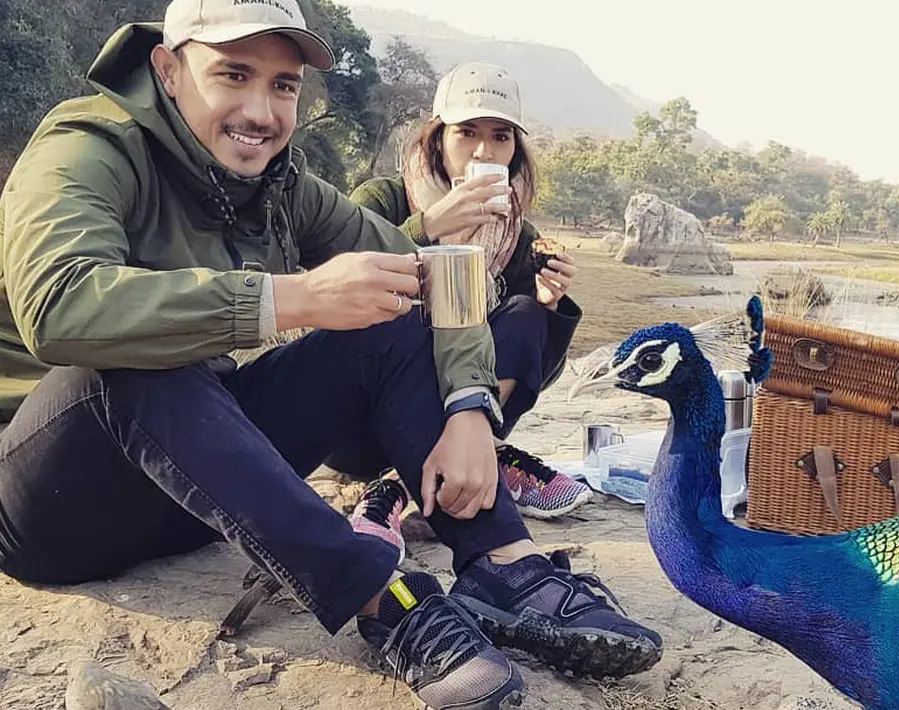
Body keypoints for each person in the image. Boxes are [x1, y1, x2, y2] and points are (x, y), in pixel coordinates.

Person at [0, 1, 662, 708]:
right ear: (167, 70)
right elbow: (60, 307)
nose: (261, 112)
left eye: (283, 85)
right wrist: (293, 298)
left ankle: (504, 564)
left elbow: (431, 272)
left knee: (392, 321)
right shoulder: (90, 146)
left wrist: (471, 409)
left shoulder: (280, 186)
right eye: (233, 74)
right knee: (131, 363)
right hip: (50, 507)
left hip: (190, 496)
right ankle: (385, 601)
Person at [341, 61, 594, 521]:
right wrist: (429, 226)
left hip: (469, 418)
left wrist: (550, 306)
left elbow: (536, 377)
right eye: (467, 132)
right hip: (367, 418)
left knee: (525, 313)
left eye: (501, 136)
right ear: (437, 137)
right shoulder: (381, 200)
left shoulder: (519, 237)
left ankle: (411, 480)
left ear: (515, 150)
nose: (484, 151)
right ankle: (460, 466)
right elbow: (343, 286)